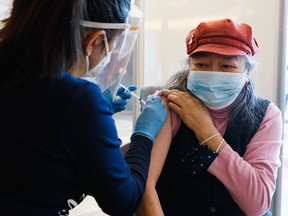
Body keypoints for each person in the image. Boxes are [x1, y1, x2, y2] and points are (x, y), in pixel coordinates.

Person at [0, 1, 167, 215]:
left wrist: (93, 121)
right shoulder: (78, 98)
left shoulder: (14, 75)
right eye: (113, 44)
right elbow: (123, 200)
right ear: (94, 40)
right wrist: (144, 135)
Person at [135, 18, 283, 216]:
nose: (213, 75)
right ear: (189, 68)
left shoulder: (266, 115)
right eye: (202, 64)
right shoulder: (169, 105)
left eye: (227, 67)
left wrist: (206, 130)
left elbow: (257, 203)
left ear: (247, 72)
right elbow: (145, 189)